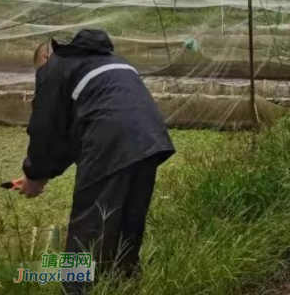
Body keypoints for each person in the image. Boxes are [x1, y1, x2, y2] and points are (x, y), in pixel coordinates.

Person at [12, 30, 174, 289]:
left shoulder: (56, 66)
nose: (40, 76)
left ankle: (75, 289)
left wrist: (33, 174)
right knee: (126, 224)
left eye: (38, 69)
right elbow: (71, 137)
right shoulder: (108, 61)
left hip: (111, 141)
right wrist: (40, 175)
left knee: (88, 228)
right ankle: (122, 284)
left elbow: (46, 128)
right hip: (149, 141)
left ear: (46, 55)